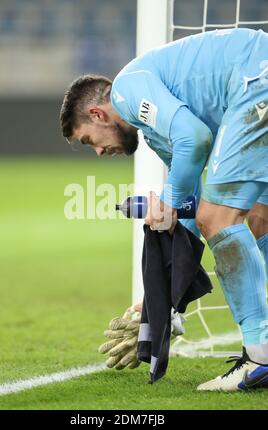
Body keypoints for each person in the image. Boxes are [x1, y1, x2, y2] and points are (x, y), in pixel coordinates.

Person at [60, 28, 268, 391]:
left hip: (254, 83)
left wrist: (168, 203)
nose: (98, 152)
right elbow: (186, 207)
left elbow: (195, 139)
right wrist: (164, 301)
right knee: (259, 215)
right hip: (258, 75)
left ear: (98, 113)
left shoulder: (126, 91)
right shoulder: (156, 130)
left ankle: (261, 356)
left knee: (218, 218)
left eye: (89, 140)